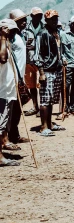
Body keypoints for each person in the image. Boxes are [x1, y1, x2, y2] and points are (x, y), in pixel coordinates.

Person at [32, 10, 65, 137]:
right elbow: (37, 55)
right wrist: (41, 72)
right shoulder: (42, 34)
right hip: (46, 70)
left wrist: (62, 60)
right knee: (45, 100)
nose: (54, 21)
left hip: (56, 69)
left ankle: (49, 124)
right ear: (46, 20)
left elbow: (58, 51)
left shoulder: (56, 33)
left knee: (51, 99)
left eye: (56, 18)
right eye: (52, 19)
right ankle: (43, 126)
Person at [5, 11, 28, 148]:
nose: (24, 22)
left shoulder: (21, 35)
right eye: (21, 20)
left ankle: (14, 133)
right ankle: (6, 138)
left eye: (25, 19)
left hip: (20, 75)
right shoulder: (11, 36)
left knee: (18, 107)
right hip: (12, 76)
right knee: (10, 107)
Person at [0, 19, 21, 165]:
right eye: (11, 31)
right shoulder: (1, 42)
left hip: (7, 90)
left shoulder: (6, 43)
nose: (12, 35)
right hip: (2, 91)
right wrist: (2, 37)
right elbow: (2, 58)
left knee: (3, 124)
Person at [22, 7, 44, 116]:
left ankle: (42, 107)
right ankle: (35, 106)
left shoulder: (44, 28)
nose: (38, 17)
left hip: (41, 60)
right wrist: (25, 45)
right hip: (29, 60)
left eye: (40, 15)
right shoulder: (25, 28)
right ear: (31, 16)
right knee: (31, 86)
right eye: (36, 15)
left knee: (41, 84)